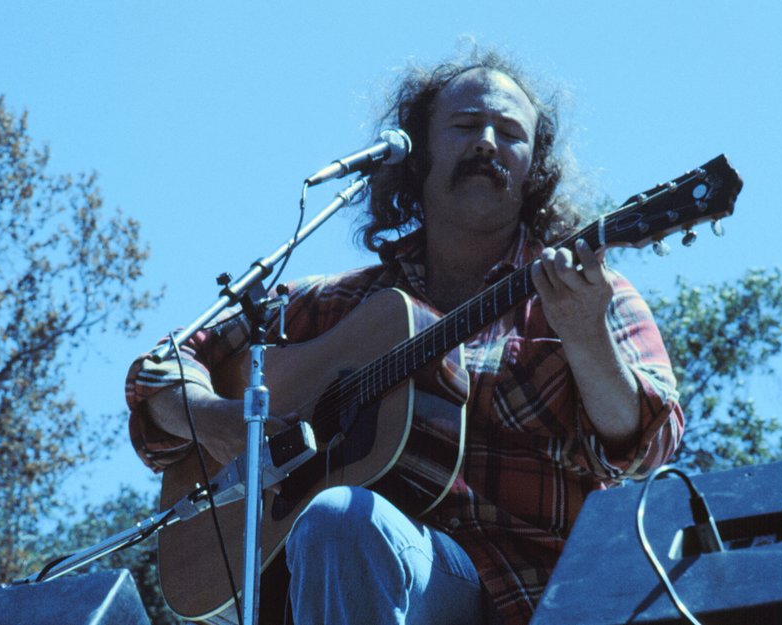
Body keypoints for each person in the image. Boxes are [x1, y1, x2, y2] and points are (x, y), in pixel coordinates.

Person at [127, 49, 684, 625]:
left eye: (510, 133)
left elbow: (649, 443)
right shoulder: (341, 305)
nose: (487, 143)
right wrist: (217, 421)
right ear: (417, 155)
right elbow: (160, 369)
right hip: (355, 580)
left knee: (340, 517)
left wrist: (587, 337)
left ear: (534, 172)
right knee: (341, 520)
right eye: (466, 125)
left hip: (528, 598)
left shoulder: (586, 296)